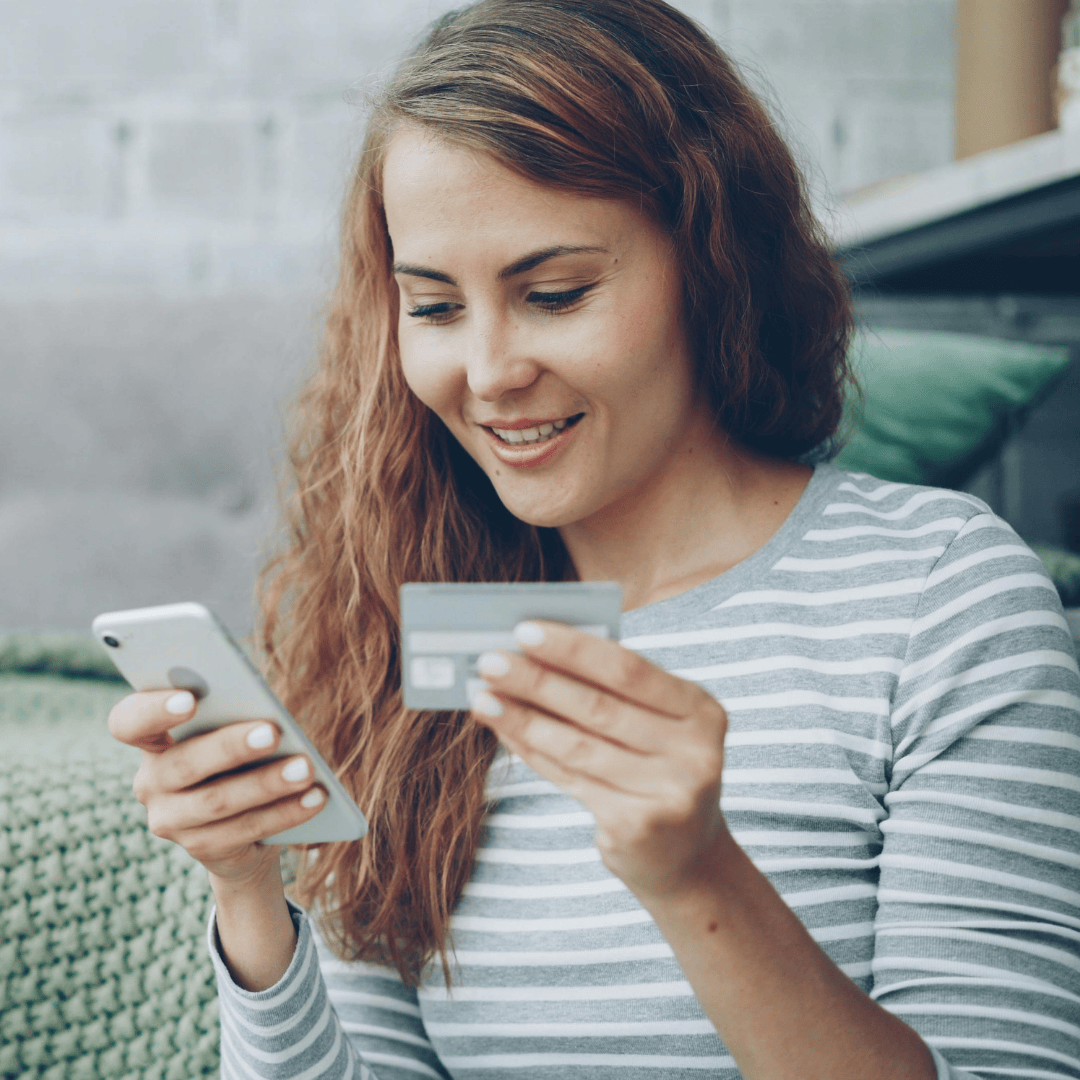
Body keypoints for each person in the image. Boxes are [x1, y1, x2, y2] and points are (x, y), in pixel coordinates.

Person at [108, 1, 1080, 1077]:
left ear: (713, 262)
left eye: (555, 293)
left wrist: (698, 875)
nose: (488, 372)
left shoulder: (940, 596)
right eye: (433, 308)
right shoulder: (409, 619)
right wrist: (250, 893)